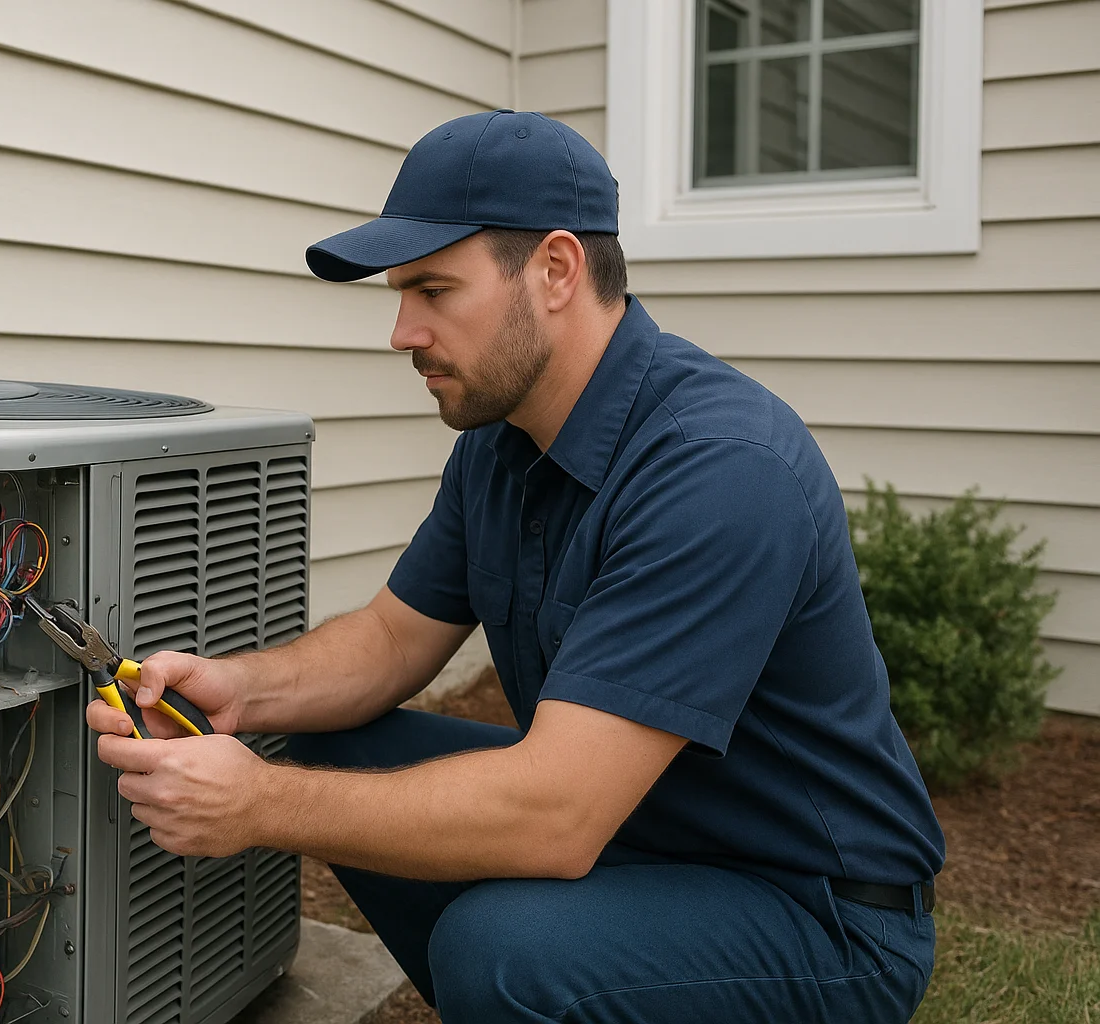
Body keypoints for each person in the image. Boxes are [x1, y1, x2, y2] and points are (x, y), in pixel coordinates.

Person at [86, 110, 945, 1023]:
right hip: (647, 829)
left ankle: (533, 991)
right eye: (397, 295)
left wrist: (257, 804)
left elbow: (557, 815)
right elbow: (387, 640)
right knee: (340, 740)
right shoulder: (503, 441)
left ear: (556, 270)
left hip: (818, 913)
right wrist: (237, 692)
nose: (402, 332)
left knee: (504, 951)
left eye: (434, 289)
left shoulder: (719, 468)